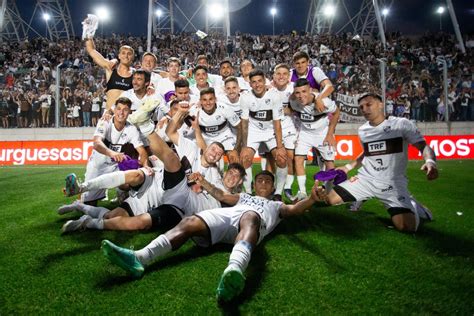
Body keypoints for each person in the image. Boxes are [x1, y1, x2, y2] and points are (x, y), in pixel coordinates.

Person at [100, 170, 326, 303]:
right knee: (189, 221)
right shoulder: (242, 196)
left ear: (273, 186)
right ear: (255, 185)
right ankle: (140, 258)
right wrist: (203, 182)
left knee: (250, 217)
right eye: (260, 180)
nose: (264, 183)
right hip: (226, 218)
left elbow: (295, 210)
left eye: (268, 181)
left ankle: (234, 271)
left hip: (250, 224)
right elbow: (221, 195)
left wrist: (312, 199)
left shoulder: (276, 205)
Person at [322, 94, 438, 233]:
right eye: (361, 107)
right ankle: (362, 197)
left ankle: (415, 206)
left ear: (381, 104)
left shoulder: (401, 124)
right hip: (366, 179)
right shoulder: (363, 130)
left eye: (368, 104)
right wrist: (348, 167)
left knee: (407, 227)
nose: (364, 109)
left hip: (392, 184)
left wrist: (430, 161)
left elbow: (423, 146)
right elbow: (367, 152)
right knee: (329, 200)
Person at [59, 163, 246, 233]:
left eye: (237, 176)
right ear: (226, 171)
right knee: (135, 175)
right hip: (157, 181)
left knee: (111, 217)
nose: (232, 176)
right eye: (231, 172)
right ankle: (82, 187)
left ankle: (81, 209)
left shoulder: (235, 195)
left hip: (159, 199)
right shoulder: (211, 176)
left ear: (240, 181)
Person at [78, 97, 149, 206]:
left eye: (125, 109)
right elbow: (97, 143)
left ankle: (122, 192)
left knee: (134, 178)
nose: (121, 112)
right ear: (114, 110)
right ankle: (79, 202)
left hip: (116, 166)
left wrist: (145, 167)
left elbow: (142, 152)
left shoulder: (131, 129)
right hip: (98, 165)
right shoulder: (105, 122)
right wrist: (112, 153)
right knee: (89, 204)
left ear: (129, 112)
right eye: (119, 109)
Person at [239, 69, 287, 199]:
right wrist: (244, 146)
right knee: (244, 159)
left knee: (282, 159)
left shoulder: (275, 96)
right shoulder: (245, 97)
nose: (257, 84)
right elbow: (244, 123)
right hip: (254, 131)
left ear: (265, 81)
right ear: (250, 84)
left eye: (260, 81)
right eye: (253, 82)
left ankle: (277, 193)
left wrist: (280, 146)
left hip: (270, 130)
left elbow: (277, 123)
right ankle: (248, 192)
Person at [290, 78, 340, 200]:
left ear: (310, 90)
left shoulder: (324, 102)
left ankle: (328, 191)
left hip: (322, 133)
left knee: (329, 163)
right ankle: (302, 192)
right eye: (297, 93)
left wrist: (330, 134)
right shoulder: (294, 102)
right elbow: (291, 111)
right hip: (305, 133)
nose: (301, 96)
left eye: (304, 92)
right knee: (298, 158)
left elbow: (337, 112)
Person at [84, 18, 135, 112]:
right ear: (119, 55)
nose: (126, 55)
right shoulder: (110, 68)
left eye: (129, 53)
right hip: (109, 117)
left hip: (128, 117)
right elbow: (91, 50)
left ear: (133, 57)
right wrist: (88, 32)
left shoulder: (136, 74)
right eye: (123, 53)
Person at [195, 87, 242, 164]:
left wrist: (236, 149)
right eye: (204, 100)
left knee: (234, 159)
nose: (208, 103)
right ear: (200, 101)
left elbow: (240, 127)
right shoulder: (194, 111)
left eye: (211, 99)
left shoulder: (225, 109)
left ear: (215, 99)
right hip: (205, 138)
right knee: (202, 160)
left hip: (224, 136)